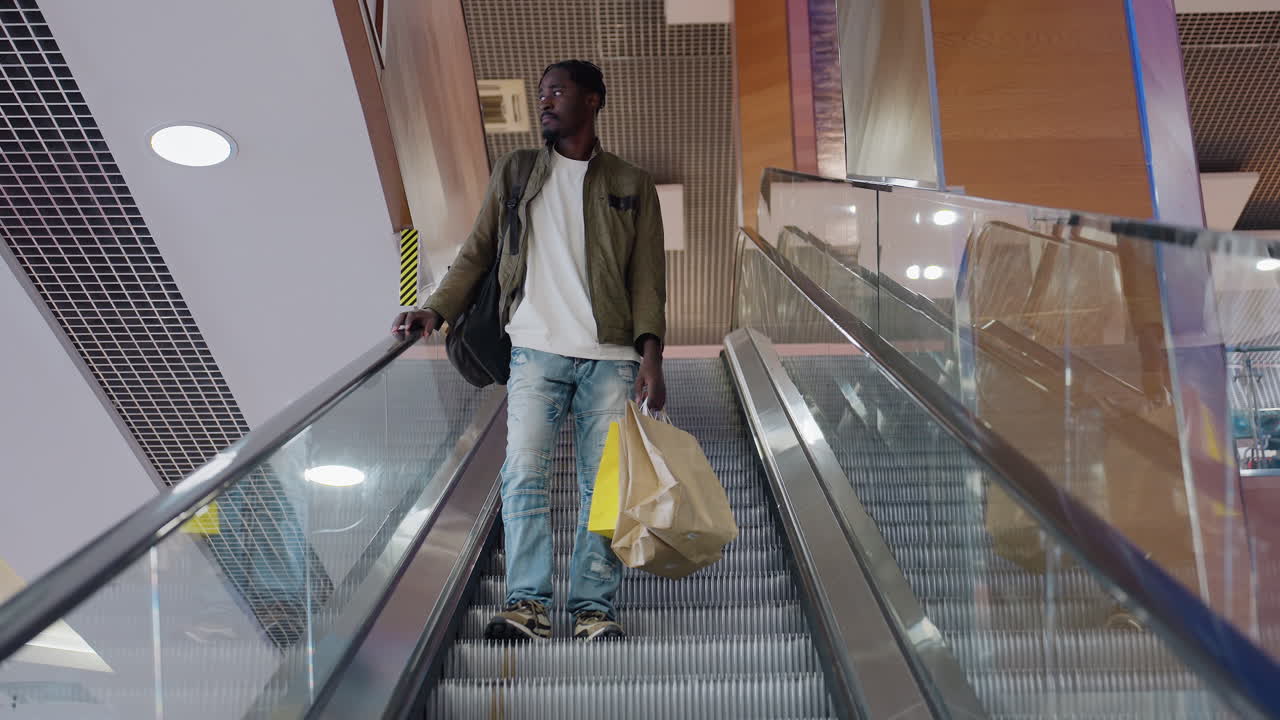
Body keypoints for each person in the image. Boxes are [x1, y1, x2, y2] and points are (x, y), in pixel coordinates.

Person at [392, 60, 666, 641]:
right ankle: (528, 604)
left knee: (605, 485)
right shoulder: (517, 171)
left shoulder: (630, 182)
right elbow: (477, 250)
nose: (545, 101)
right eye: (542, 93)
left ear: (592, 101)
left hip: (611, 356)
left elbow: (647, 277)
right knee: (523, 476)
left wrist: (652, 357)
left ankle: (594, 607)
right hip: (535, 351)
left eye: (557, 92)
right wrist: (435, 308)